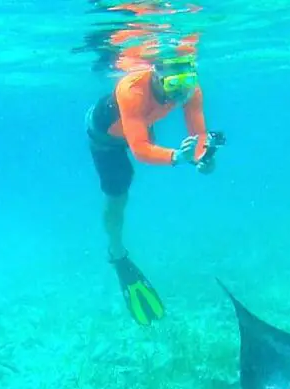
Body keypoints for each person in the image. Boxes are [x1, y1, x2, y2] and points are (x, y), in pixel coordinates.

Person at [84, 50, 221, 326]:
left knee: (131, 175)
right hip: (105, 137)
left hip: (139, 124)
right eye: (173, 85)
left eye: (187, 82)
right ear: (155, 75)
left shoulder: (190, 90)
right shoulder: (132, 89)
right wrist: (174, 157)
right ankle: (117, 253)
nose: (180, 93)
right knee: (117, 197)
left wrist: (203, 160)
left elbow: (199, 137)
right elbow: (141, 150)